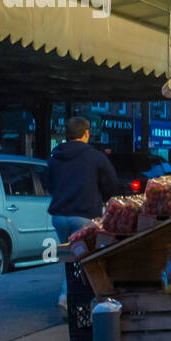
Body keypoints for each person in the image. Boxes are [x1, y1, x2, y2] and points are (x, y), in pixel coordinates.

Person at [46, 116, 121, 309]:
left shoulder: (55, 156)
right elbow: (111, 185)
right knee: (87, 258)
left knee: (69, 257)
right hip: (84, 216)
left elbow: (48, 184)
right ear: (86, 133)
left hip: (59, 216)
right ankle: (76, 298)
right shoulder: (95, 157)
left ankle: (67, 295)